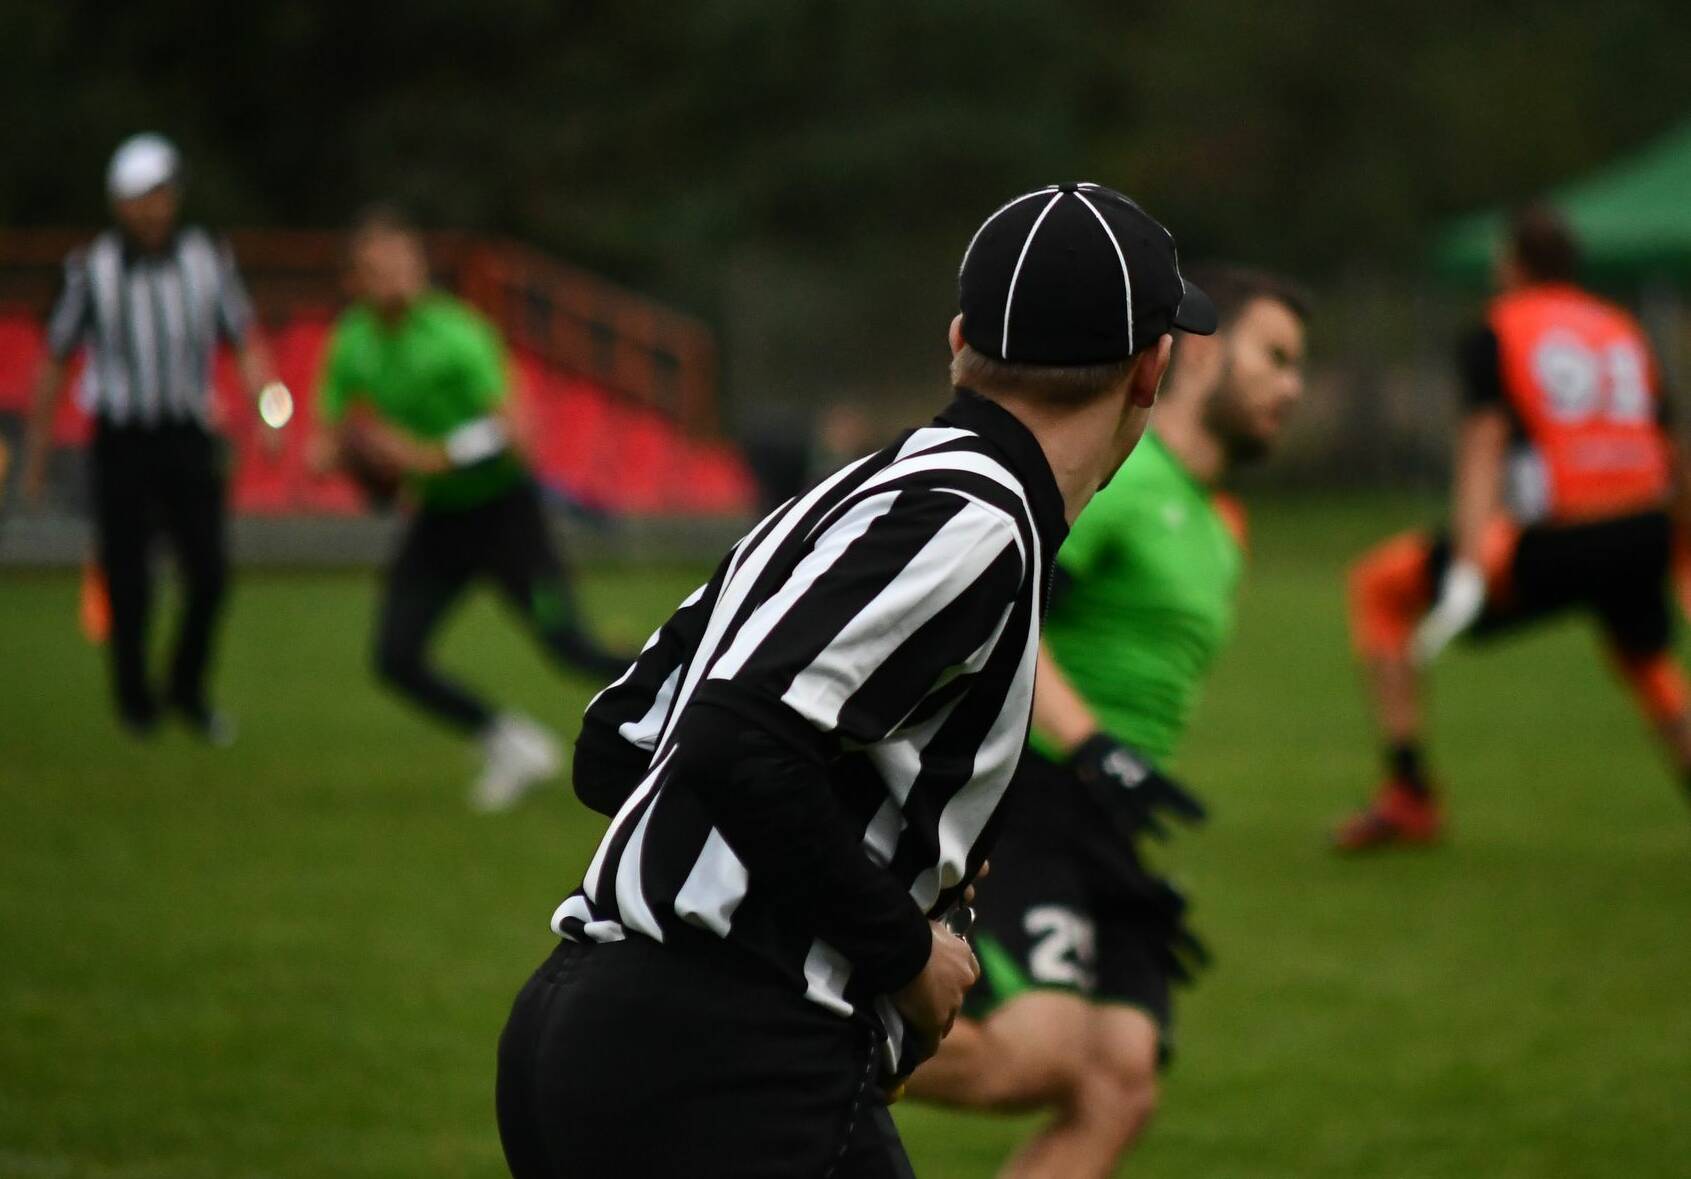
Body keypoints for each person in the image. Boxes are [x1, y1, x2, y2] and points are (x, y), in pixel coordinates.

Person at [493, 183, 1217, 1179]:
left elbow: (619, 741)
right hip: (729, 1063)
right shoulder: (979, 523)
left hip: (582, 1032)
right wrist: (900, 950)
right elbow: (728, 739)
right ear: (1151, 369)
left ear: (959, 339)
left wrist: (873, 850)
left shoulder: (849, 494)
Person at [905, 267, 1309, 1177]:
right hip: (1032, 790)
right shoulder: (1129, 486)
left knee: (1118, 1082)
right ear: (1196, 358)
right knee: (1043, 1053)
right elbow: (1003, 613)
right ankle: (779, 1034)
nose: (1293, 386)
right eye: (1275, 357)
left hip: (1105, 817)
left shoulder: (1217, 526)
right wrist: (1090, 740)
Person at [1336, 205, 1691, 850]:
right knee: (1647, 662)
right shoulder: (1620, 328)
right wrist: (1681, 541)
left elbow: (1483, 452)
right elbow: (1668, 442)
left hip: (1563, 535)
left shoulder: (1501, 328)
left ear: (1512, 263)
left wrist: (1470, 569)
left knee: (1379, 588)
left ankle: (1409, 794)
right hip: (1644, 527)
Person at [313, 206, 631, 811]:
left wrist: (433, 455)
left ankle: (695, 693)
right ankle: (511, 742)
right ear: (353, 280)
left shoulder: (457, 333)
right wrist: (343, 452)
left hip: (506, 516)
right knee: (395, 658)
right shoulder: (351, 342)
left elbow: (518, 431)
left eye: (406, 261)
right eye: (379, 267)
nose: (399, 276)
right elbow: (331, 435)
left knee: (573, 648)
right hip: (440, 524)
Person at [19, 132, 284, 741]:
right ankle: (136, 703)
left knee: (210, 573)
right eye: (141, 196)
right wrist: (34, 456)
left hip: (186, 433)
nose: (153, 208)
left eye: (162, 194)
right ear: (119, 203)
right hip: (122, 438)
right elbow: (55, 361)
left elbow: (245, 342)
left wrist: (269, 415)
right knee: (128, 579)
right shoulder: (92, 269)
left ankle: (187, 691)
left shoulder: (206, 261)